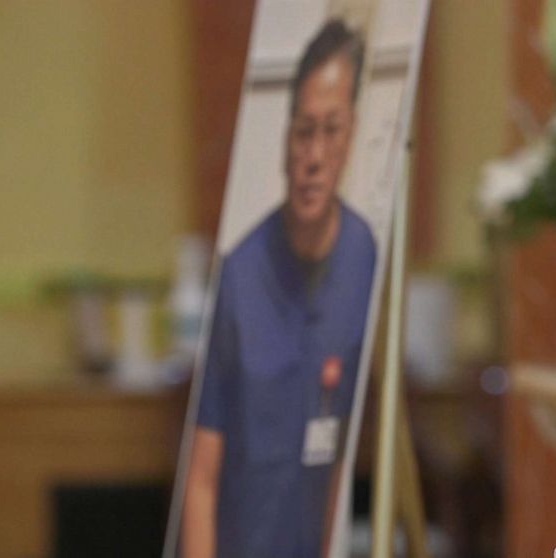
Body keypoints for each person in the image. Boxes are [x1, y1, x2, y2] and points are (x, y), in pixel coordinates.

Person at [181, 19, 376, 558]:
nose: (314, 156)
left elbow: (345, 449)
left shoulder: (366, 257)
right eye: (304, 130)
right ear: (287, 139)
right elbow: (201, 476)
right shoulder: (241, 274)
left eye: (331, 130)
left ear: (353, 134)